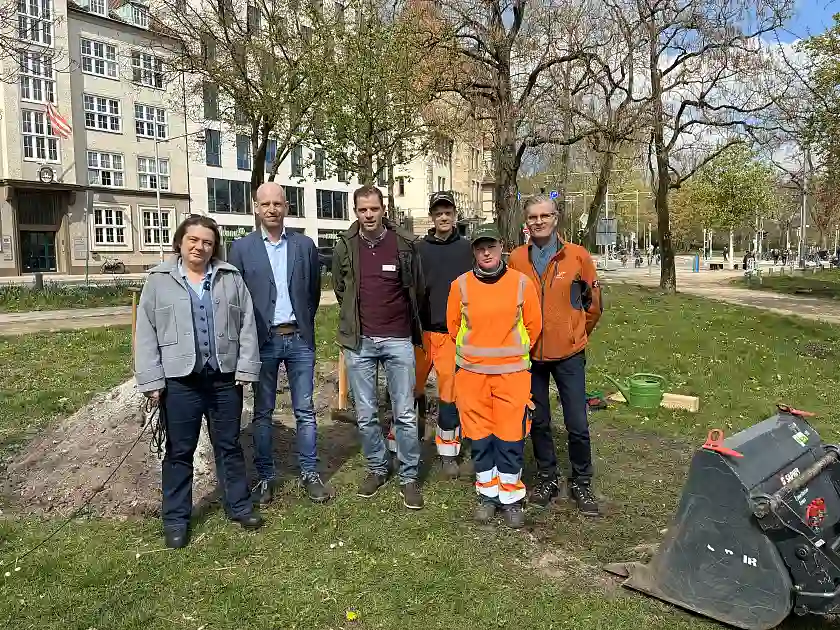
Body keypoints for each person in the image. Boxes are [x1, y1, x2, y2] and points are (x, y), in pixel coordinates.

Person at [135, 215, 264, 549]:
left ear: (214, 247)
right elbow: (145, 333)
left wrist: (246, 370)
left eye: (207, 242)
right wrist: (152, 380)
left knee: (229, 446)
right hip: (180, 383)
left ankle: (238, 506)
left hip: (224, 380)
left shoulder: (229, 278)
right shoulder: (158, 280)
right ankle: (176, 520)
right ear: (180, 242)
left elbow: (247, 324)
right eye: (193, 240)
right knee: (179, 452)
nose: (200, 247)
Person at [228, 182, 329, 505]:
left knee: (305, 411)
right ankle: (266, 476)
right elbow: (238, 298)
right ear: (255, 208)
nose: (271, 209)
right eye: (265, 204)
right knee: (263, 412)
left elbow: (311, 292)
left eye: (278, 203)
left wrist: (302, 322)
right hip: (263, 340)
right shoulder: (242, 249)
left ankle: (310, 472)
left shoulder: (304, 246)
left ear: (287, 207)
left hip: (299, 339)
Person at [332, 184, 426, 510]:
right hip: (361, 341)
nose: (368, 215)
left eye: (374, 209)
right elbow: (340, 287)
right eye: (362, 210)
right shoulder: (346, 246)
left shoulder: (403, 244)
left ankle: (409, 476)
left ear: (383, 209)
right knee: (366, 414)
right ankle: (377, 466)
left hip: (398, 339)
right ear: (355, 212)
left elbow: (418, 288)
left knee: (405, 413)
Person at [508, 195, 603, 517]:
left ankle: (581, 481)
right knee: (540, 421)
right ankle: (547, 477)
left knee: (577, 422)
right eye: (532, 217)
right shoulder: (517, 259)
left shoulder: (576, 256)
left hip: (569, 354)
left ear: (556, 218)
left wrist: (577, 334)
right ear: (526, 221)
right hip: (531, 355)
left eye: (544, 216)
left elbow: (593, 304)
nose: (538, 222)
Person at [447, 223, 541, 528]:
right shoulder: (459, 285)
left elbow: (533, 327)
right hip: (472, 377)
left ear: (502, 247)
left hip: (512, 376)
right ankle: (487, 495)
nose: (485, 252)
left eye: (491, 246)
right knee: (481, 439)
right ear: (473, 251)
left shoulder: (522, 284)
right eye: (479, 247)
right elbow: (453, 328)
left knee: (510, 438)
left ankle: (511, 499)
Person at [415, 191, 473, 477]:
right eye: (438, 213)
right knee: (408, 389)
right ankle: (404, 444)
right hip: (421, 333)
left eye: (448, 212)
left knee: (449, 393)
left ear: (455, 215)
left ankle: (448, 452)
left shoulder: (467, 249)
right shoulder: (419, 249)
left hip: (452, 334)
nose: (444, 217)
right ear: (432, 217)